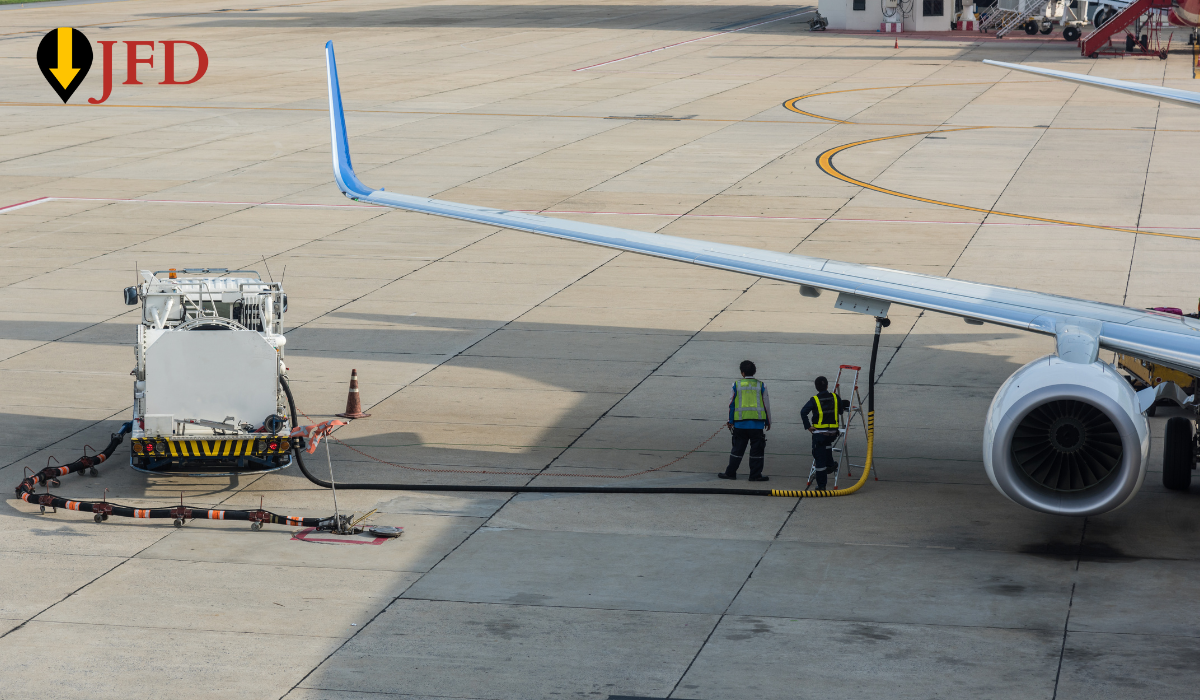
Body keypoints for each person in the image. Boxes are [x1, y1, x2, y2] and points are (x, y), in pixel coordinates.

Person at [719, 360, 771, 482]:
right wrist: (768, 421)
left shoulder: (736, 385)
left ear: (742, 373)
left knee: (737, 450)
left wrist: (730, 420)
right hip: (757, 424)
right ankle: (755, 475)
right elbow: (766, 405)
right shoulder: (761, 385)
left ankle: (730, 473)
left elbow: (731, 404)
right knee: (756, 451)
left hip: (740, 424)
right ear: (754, 372)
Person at [801, 376, 842, 491]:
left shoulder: (814, 399)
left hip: (819, 433)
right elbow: (840, 411)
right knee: (827, 445)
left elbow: (803, 412)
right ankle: (830, 465)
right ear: (827, 386)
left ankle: (821, 485)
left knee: (819, 459)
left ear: (816, 387)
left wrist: (808, 426)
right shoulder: (835, 396)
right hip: (833, 433)